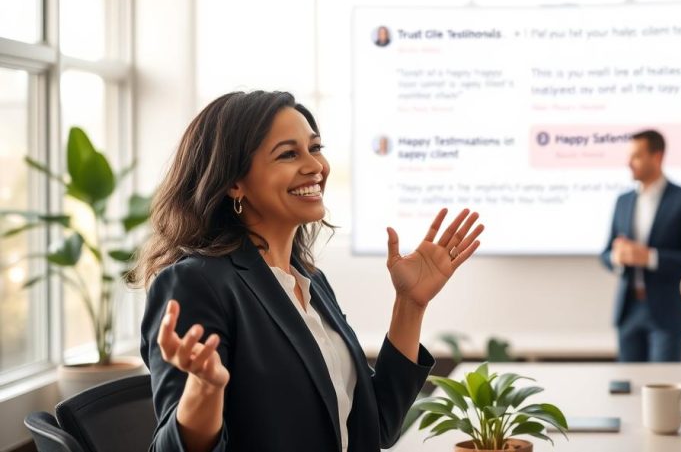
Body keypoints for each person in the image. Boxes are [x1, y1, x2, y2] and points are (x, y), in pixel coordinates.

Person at [132, 91, 484, 452]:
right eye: (288, 154)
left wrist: (410, 304)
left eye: (315, 148)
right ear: (234, 182)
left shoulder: (310, 282)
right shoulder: (196, 284)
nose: (315, 166)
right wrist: (205, 390)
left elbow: (376, 427)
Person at [600, 129, 681, 362]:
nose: (628, 163)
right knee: (627, 385)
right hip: (629, 309)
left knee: (663, 388)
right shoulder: (623, 201)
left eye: (636, 156)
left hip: (668, 311)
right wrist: (617, 257)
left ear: (657, 157)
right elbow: (605, 253)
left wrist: (649, 257)